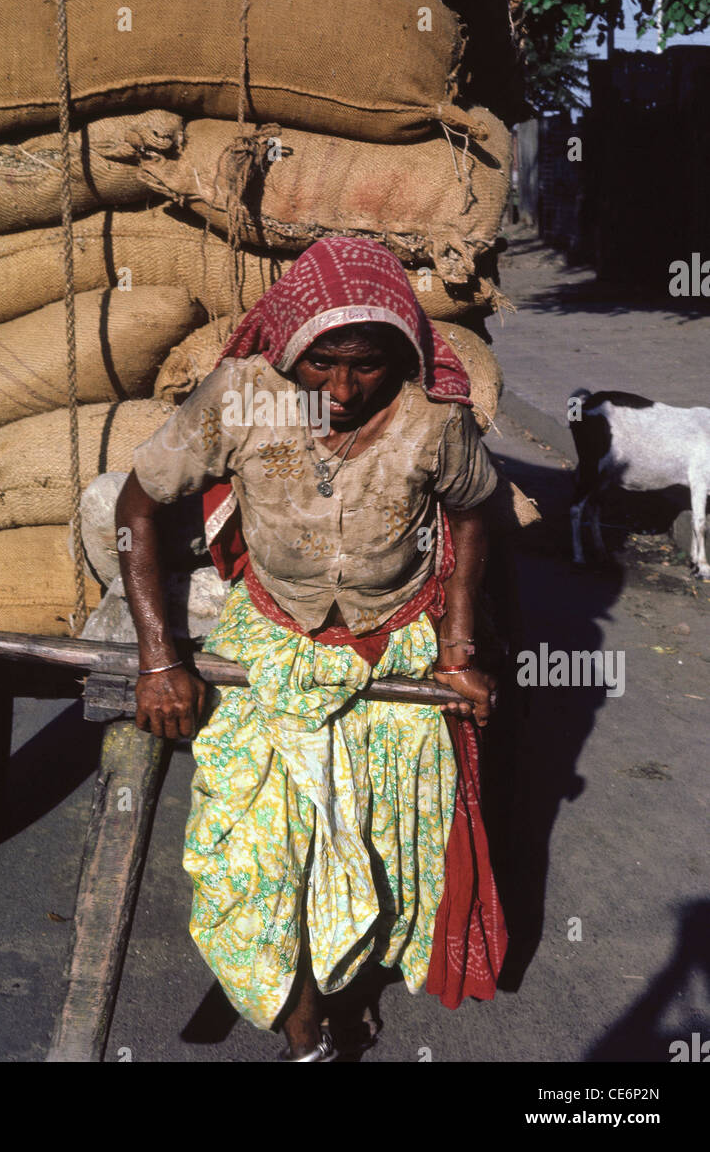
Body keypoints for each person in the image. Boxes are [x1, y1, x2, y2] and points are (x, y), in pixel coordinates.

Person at [115, 236, 507, 1060]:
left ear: (400, 353)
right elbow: (138, 507)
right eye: (321, 365)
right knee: (251, 847)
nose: (340, 389)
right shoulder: (243, 400)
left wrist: (460, 643)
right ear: (289, 350)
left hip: (389, 649)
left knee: (378, 842)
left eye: (364, 366)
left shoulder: (432, 417)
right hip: (271, 642)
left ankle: (347, 978)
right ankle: (303, 1026)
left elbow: (474, 511)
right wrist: (159, 658)